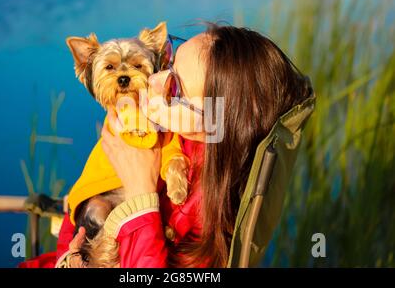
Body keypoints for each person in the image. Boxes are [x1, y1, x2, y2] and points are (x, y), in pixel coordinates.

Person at [55, 23, 312, 268]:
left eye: (174, 86)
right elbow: (82, 199)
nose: (154, 79)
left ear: (216, 118)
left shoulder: (209, 208)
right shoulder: (168, 134)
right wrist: (68, 253)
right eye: (169, 58)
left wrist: (140, 195)